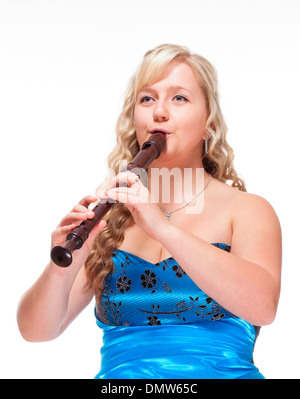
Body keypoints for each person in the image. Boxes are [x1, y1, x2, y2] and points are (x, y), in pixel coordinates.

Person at [17, 44, 282, 379]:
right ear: (135, 120)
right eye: (147, 98)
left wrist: (163, 228)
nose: (159, 112)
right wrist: (62, 268)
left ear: (208, 124)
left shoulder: (248, 210)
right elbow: (35, 332)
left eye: (179, 98)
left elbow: (263, 307)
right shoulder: (110, 219)